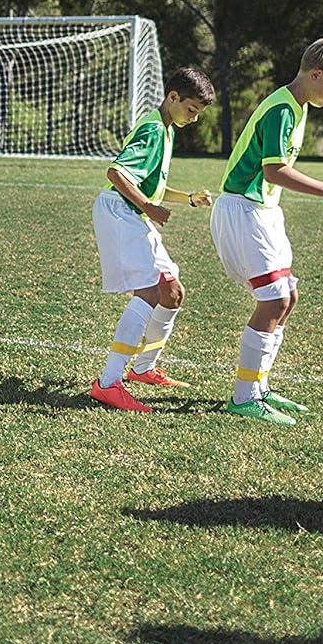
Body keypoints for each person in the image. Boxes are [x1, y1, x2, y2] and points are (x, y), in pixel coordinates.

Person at [211, 30, 323, 426]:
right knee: (275, 301)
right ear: (316, 74)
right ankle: (244, 397)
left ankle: (259, 387)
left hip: (261, 211)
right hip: (243, 209)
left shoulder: (298, 107)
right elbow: (274, 170)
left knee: (288, 297)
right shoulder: (283, 108)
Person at [89, 67, 216, 412]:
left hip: (133, 211)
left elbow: (150, 186)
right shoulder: (152, 129)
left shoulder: (167, 128)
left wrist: (187, 198)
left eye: (198, 115)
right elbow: (116, 173)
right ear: (173, 97)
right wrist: (148, 207)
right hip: (119, 211)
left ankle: (143, 369)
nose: (193, 119)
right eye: (190, 110)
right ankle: (108, 383)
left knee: (172, 292)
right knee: (148, 290)